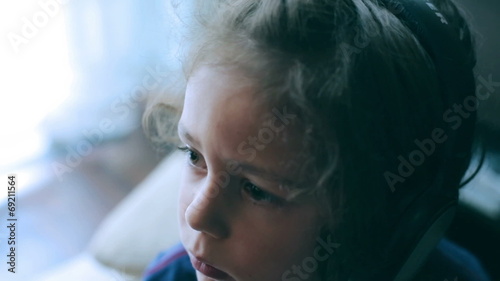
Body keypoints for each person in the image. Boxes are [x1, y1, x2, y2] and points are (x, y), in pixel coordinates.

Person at [141, 0, 491, 280]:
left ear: (383, 222)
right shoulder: (173, 274)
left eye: (257, 190)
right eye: (193, 155)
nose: (197, 215)